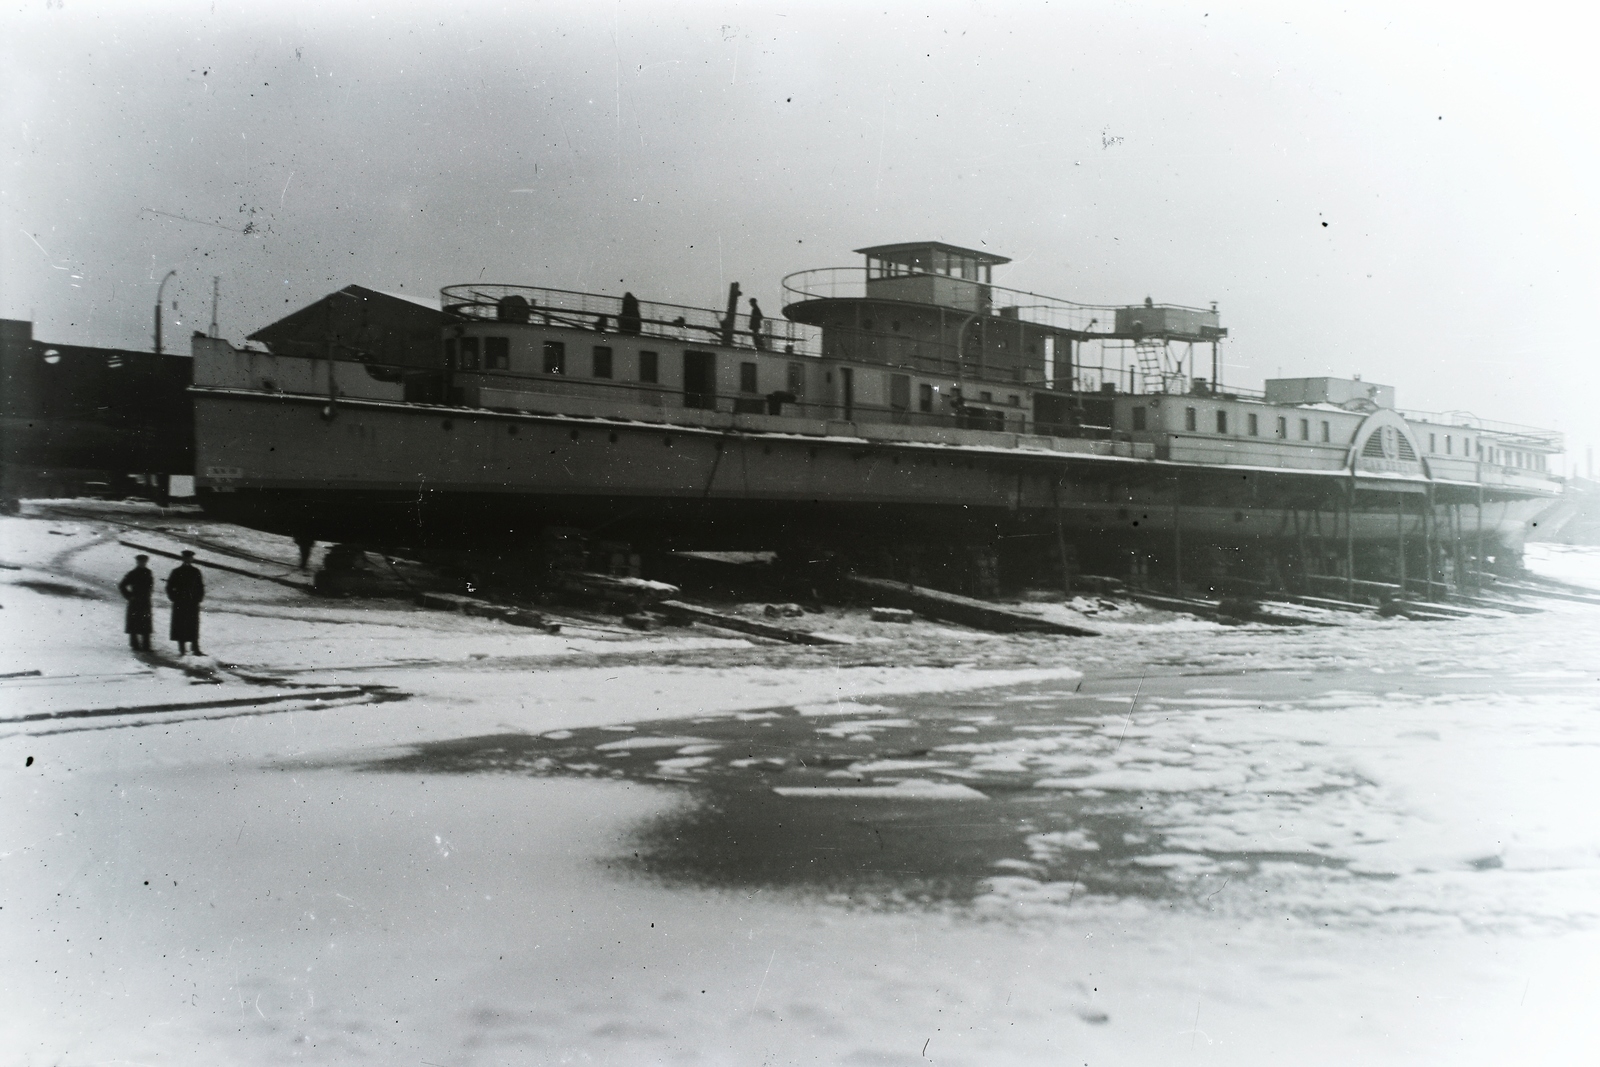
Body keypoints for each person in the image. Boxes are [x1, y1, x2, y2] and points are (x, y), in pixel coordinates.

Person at [166, 550, 206, 655]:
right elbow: (169, 587)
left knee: (193, 625)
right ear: (182, 559)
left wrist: (199, 598)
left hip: (192, 603)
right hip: (180, 603)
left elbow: (200, 586)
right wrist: (174, 598)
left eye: (190, 558)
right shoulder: (176, 571)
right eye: (186, 558)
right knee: (180, 625)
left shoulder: (196, 571)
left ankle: (195, 648)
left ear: (192, 559)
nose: (188, 560)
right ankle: (182, 649)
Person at [118, 554, 154, 651]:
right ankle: (135, 645)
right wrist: (129, 596)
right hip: (135, 601)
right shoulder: (132, 573)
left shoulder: (148, 572)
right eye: (140, 561)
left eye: (144, 562)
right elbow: (122, 585)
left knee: (146, 623)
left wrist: (149, 594)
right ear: (137, 562)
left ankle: (146, 645)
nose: (142, 563)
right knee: (134, 623)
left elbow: (150, 586)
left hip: (145, 601)